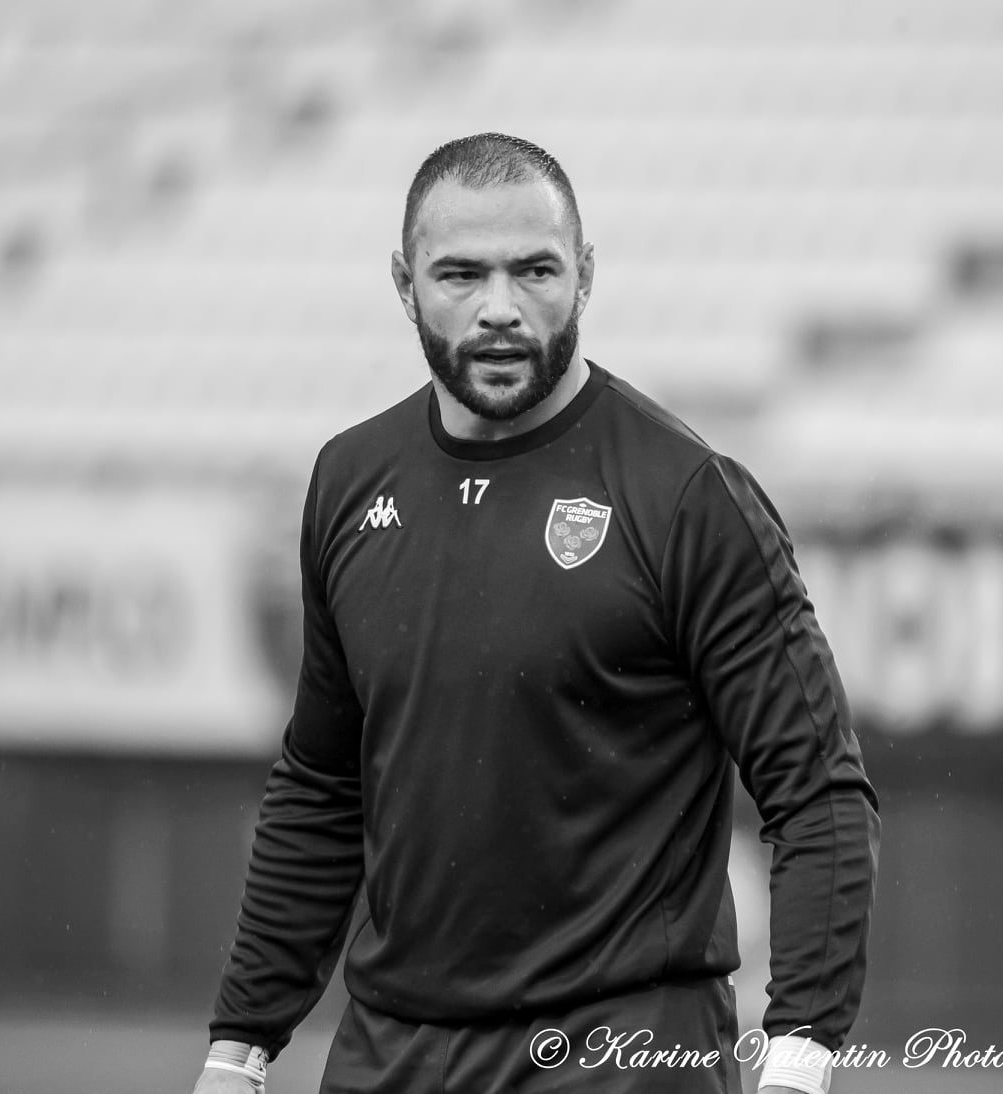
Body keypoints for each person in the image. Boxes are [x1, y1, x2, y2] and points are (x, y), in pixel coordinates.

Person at [193, 133, 880, 1094]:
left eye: (536, 270)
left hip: (621, 1052)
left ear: (585, 275)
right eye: (460, 274)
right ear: (403, 284)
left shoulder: (687, 496)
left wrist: (800, 1059)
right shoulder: (350, 481)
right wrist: (240, 1047)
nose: (500, 308)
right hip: (390, 1054)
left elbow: (818, 791)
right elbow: (322, 786)